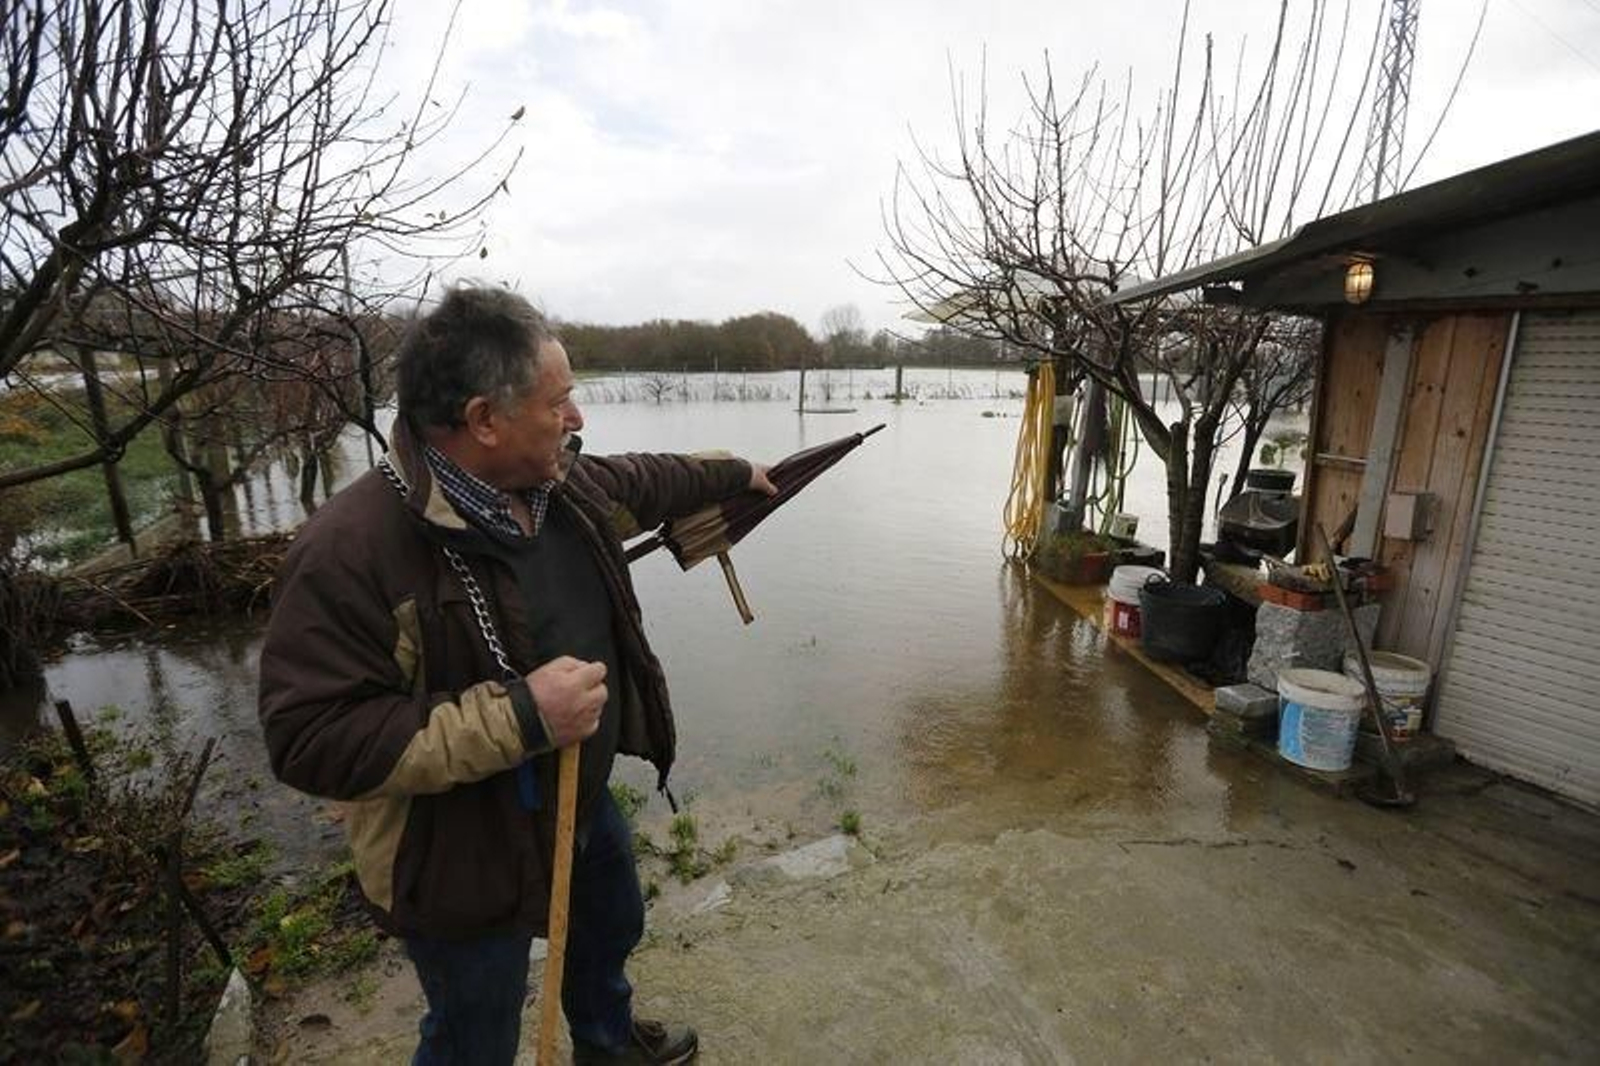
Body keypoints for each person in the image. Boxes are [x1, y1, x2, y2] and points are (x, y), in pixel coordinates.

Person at [258, 286, 774, 1064]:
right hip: (458, 848)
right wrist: (524, 716)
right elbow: (311, 739)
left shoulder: (561, 486)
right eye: (558, 401)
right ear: (483, 421)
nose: (577, 420)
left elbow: (645, 479)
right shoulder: (351, 551)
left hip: (581, 797)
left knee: (607, 934)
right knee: (477, 1023)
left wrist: (736, 473)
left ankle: (607, 1046)